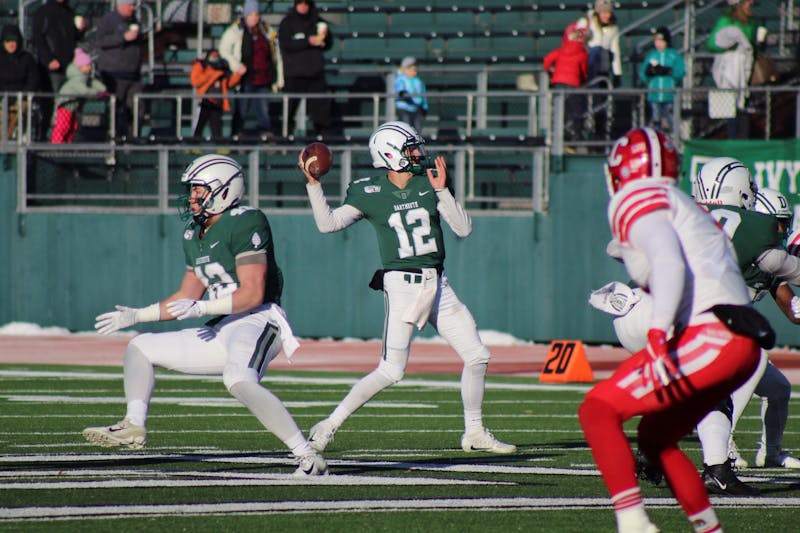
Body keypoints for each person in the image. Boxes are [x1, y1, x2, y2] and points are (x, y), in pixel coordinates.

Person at [82, 154, 329, 477]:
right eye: (191, 190)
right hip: (220, 326)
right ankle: (133, 425)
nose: (191, 197)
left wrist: (203, 308)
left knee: (238, 379)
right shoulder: (193, 233)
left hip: (257, 319)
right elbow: (186, 296)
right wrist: (138, 315)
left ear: (223, 189)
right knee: (139, 347)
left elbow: (252, 293)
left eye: (198, 189)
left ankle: (307, 456)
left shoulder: (245, 221)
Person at [579, 127, 769, 533]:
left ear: (622, 169)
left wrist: (656, 335)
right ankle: (709, 529)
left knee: (597, 410)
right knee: (655, 439)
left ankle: (633, 524)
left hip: (712, 335)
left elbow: (668, 262)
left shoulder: (636, 196)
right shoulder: (684, 205)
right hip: (741, 340)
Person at [298, 121, 516, 455]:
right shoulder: (368, 191)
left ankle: (474, 431)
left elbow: (463, 229)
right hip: (402, 286)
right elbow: (328, 224)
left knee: (477, 356)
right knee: (391, 370)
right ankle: (328, 426)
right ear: (390, 154)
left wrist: (443, 191)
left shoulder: (429, 182)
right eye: (411, 149)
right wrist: (314, 185)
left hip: (438, 283)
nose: (418, 154)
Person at [218, 0, 282, 139]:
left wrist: (279, 78)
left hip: (263, 78)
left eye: (256, 14)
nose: (254, 18)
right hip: (245, 79)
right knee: (241, 110)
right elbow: (224, 49)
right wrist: (236, 66)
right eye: (251, 14)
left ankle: (266, 136)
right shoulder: (236, 30)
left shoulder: (266, 31)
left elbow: (276, 55)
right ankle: (236, 136)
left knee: (263, 111)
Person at [707, 0, 764, 139]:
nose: (750, 5)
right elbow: (712, 43)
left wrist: (759, 43)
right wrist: (729, 46)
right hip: (730, 68)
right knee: (730, 106)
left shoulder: (752, 22)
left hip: (746, 68)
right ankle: (731, 137)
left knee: (744, 105)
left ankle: (743, 139)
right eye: (747, 3)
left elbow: (751, 44)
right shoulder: (726, 20)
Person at [31, 0, 87, 141]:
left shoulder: (69, 11)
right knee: (51, 103)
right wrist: (48, 59)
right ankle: (45, 136)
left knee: (69, 104)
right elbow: (38, 39)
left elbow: (73, 38)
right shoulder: (44, 11)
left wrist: (81, 30)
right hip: (52, 69)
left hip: (68, 68)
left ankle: (64, 137)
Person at [278, 0, 334, 136]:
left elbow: (329, 43)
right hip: (294, 73)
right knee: (289, 108)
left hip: (315, 73)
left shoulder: (318, 21)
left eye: (306, 4)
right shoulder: (288, 22)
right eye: (300, 4)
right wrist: (307, 41)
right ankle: (286, 136)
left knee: (320, 109)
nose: (303, 7)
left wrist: (324, 39)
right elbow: (286, 43)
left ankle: (321, 137)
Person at [94, 0, 143, 139]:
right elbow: (100, 41)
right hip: (115, 74)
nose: (133, 8)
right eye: (130, 5)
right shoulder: (108, 20)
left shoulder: (134, 20)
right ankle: (113, 138)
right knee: (116, 108)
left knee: (137, 108)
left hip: (134, 74)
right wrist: (122, 38)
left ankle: (133, 139)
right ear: (121, 5)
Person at [50, 48, 107, 144]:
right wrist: (97, 93)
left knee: (73, 126)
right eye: (87, 65)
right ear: (80, 67)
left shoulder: (84, 78)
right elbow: (84, 91)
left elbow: (94, 83)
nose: (90, 68)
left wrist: (102, 89)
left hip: (73, 107)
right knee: (63, 126)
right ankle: (56, 144)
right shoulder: (76, 80)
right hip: (65, 105)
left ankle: (67, 145)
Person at [543, 21, 589, 140]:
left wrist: (550, 73)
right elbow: (583, 70)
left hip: (558, 82)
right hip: (573, 83)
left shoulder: (561, 50)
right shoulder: (582, 52)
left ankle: (561, 133)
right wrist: (584, 80)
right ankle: (574, 134)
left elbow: (547, 60)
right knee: (574, 109)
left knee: (560, 108)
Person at [638, 26, 685, 132]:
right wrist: (648, 73)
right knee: (656, 120)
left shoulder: (673, 55)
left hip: (669, 95)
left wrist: (669, 71)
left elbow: (680, 71)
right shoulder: (652, 55)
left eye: (661, 41)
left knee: (672, 119)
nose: (658, 44)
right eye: (656, 41)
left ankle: (675, 138)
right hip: (654, 94)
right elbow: (643, 73)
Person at [189, 49, 243, 141]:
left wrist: (238, 74)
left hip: (217, 103)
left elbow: (229, 83)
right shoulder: (202, 66)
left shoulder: (222, 69)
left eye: (216, 57)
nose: (215, 59)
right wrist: (212, 73)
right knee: (199, 126)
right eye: (213, 57)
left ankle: (220, 146)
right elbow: (195, 82)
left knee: (217, 129)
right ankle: (193, 145)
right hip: (205, 101)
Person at [0, 25, 39, 141]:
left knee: (17, 112)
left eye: (14, 41)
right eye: (8, 41)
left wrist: (23, 96)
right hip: (2, 97)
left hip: (20, 98)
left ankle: (5, 142)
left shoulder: (27, 59)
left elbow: (33, 80)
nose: (11, 44)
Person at [586, 0, 621, 83]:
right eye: (604, 12)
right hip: (587, 66)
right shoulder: (587, 23)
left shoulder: (613, 29)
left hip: (602, 68)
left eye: (609, 12)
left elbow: (615, 50)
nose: (607, 15)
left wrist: (617, 73)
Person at [393, 57, 428, 134]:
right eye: (410, 69)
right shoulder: (401, 80)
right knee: (406, 130)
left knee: (417, 131)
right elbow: (400, 90)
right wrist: (403, 93)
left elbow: (423, 95)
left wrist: (425, 107)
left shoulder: (418, 81)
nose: (413, 71)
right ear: (405, 69)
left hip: (416, 109)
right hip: (404, 109)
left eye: (415, 69)